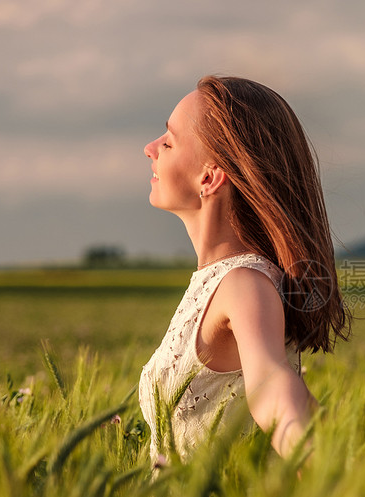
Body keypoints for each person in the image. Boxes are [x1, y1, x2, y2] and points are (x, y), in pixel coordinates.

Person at [138, 75, 351, 466]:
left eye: (168, 141)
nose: (150, 148)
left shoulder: (243, 284)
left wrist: (333, 483)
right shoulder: (219, 281)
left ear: (210, 177)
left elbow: (273, 388)